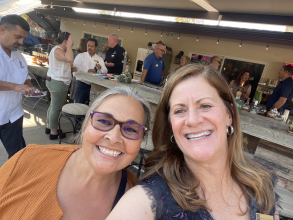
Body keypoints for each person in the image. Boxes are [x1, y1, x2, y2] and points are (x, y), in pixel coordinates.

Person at [107, 64, 279, 220]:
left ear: (229, 115)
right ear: (171, 125)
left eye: (205, 106)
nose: (192, 120)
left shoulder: (262, 186)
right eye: (180, 110)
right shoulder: (148, 200)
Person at [0, 87, 151, 219]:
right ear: (85, 125)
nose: (113, 138)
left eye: (131, 129)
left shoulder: (144, 205)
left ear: (141, 141)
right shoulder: (27, 160)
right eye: (104, 121)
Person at [0, 14, 36, 158]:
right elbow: (16, 84)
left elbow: (25, 76)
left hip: (13, 115)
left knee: (18, 156)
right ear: (2, 30)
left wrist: (30, 86)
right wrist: (15, 86)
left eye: (23, 38)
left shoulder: (19, 56)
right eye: (17, 37)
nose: (21, 42)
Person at [45, 32, 74, 140]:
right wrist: (70, 46)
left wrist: (70, 69)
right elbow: (70, 59)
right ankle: (54, 132)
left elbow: (64, 62)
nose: (73, 42)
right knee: (56, 108)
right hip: (58, 83)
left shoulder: (59, 50)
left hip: (56, 81)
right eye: (71, 40)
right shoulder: (58, 50)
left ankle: (49, 126)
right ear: (65, 41)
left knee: (53, 106)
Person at [74, 38, 108, 105]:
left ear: (96, 47)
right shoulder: (80, 56)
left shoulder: (99, 59)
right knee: (78, 106)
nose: (89, 47)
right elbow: (76, 69)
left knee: (91, 107)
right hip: (82, 85)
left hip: (95, 87)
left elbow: (105, 71)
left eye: (92, 46)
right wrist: (87, 71)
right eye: (88, 45)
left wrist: (100, 68)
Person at [70, 38, 88, 102]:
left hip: (75, 75)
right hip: (83, 76)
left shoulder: (75, 52)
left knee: (75, 94)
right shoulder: (86, 55)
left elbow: (71, 63)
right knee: (79, 96)